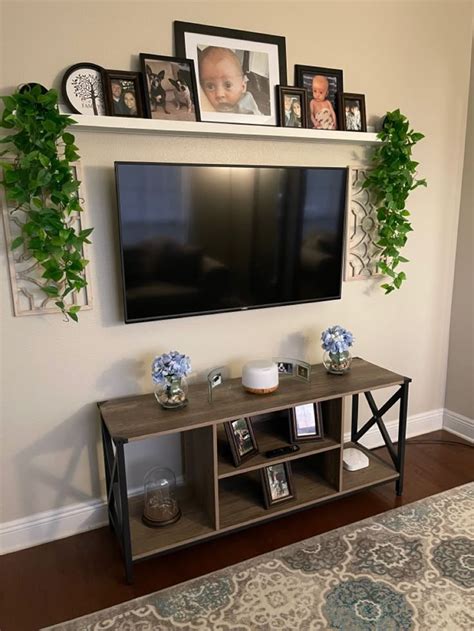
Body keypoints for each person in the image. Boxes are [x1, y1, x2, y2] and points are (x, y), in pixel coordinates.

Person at [199, 46, 261, 115]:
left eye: (228, 85)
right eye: (210, 87)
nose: (219, 94)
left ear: (243, 86)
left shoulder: (246, 106)